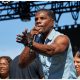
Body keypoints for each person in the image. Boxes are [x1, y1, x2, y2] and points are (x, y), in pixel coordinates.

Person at [16, 9, 77, 79]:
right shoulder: (36, 42)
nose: (38, 21)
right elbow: (22, 64)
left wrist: (30, 43)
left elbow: (51, 51)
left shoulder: (62, 38)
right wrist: (30, 38)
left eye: (42, 18)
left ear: (52, 22)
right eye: (36, 19)